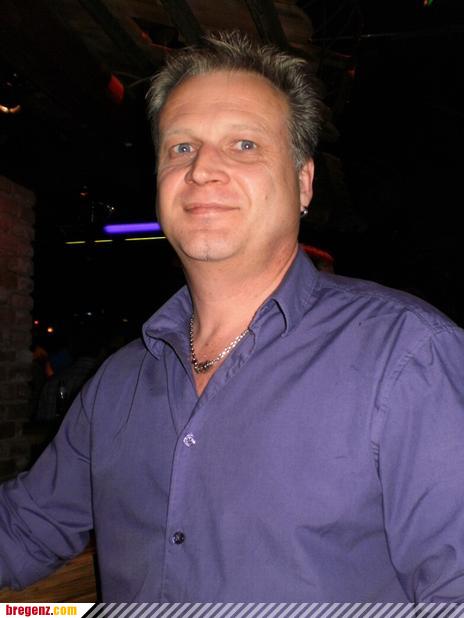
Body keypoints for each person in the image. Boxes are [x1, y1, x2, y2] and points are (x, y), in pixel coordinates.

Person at [1, 31, 464, 602]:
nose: (201, 170)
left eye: (244, 144)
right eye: (181, 148)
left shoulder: (410, 357)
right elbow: (24, 529)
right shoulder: (117, 385)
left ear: (303, 183)